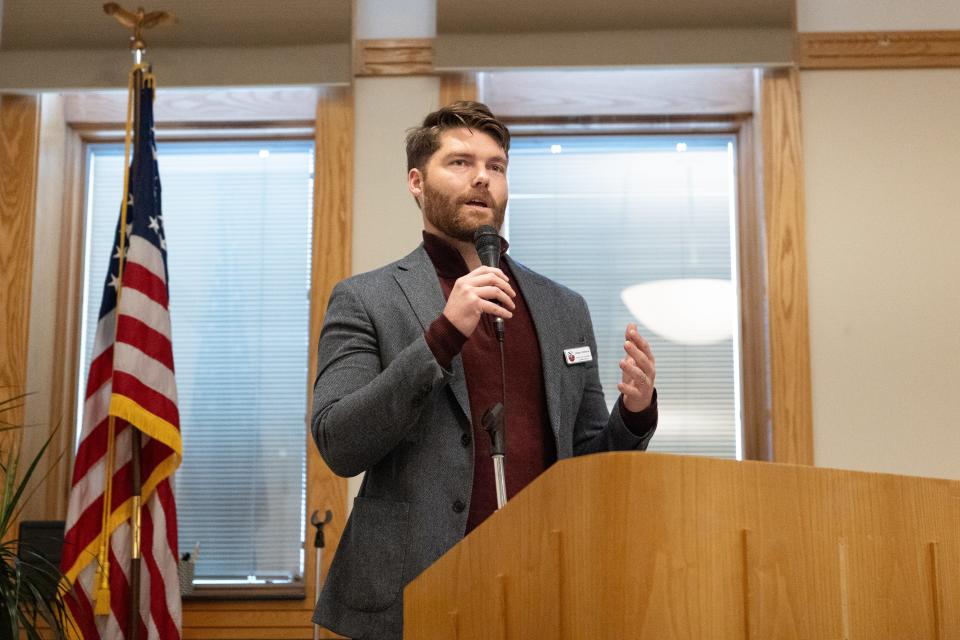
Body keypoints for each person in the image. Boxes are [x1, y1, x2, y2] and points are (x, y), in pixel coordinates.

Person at [311, 101, 658, 639]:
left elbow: (583, 463)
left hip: (539, 588)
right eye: (459, 163)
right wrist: (442, 336)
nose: (481, 178)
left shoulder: (563, 307)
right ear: (416, 182)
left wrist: (633, 417)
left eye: (496, 166)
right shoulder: (365, 299)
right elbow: (340, 441)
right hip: (409, 596)